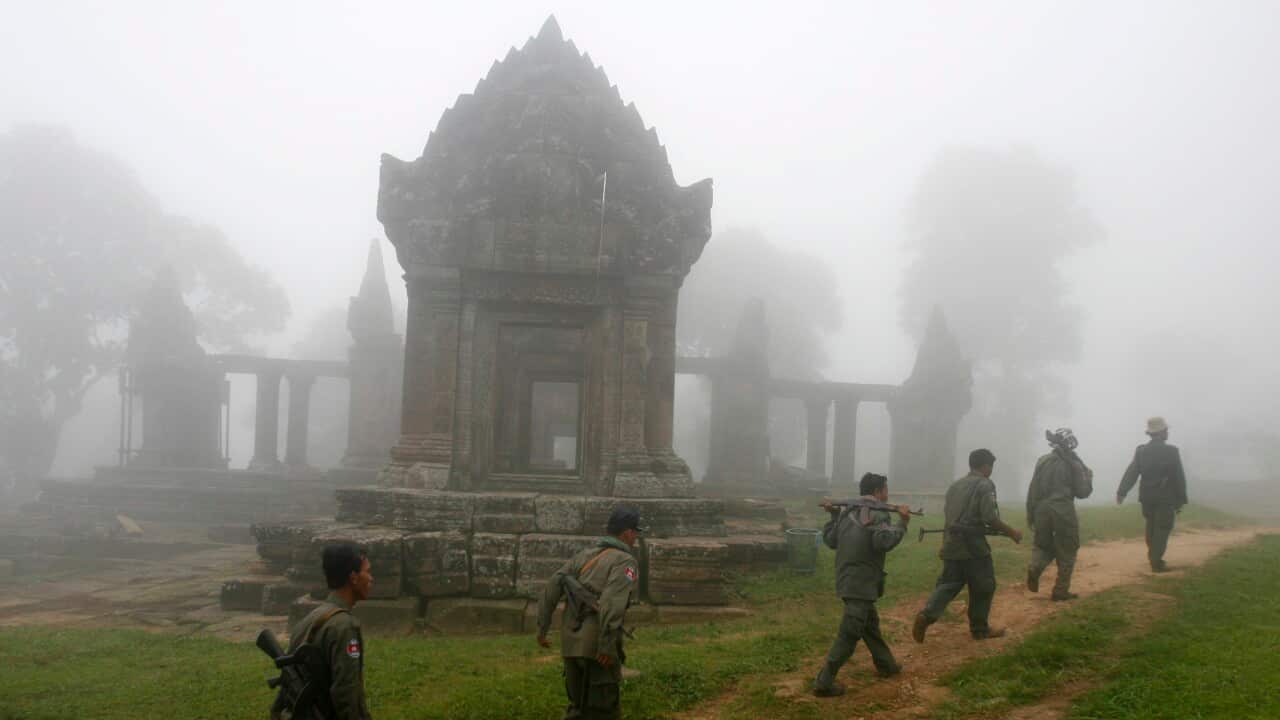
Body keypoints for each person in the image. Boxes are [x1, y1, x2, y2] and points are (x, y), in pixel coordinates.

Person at [536, 506, 642, 720]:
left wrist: (542, 629)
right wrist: (606, 645)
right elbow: (613, 604)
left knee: (578, 708)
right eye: (635, 532)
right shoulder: (625, 561)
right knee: (603, 711)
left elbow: (552, 587)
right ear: (627, 533)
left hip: (570, 644)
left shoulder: (583, 555)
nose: (636, 537)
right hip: (596, 647)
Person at [812, 472, 911, 698]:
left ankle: (886, 666)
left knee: (869, 626)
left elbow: (831, 540)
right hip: (861, 583)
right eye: (885, 490)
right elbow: (882, 541)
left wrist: (834, 515)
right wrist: (902, 524)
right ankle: (824, 682)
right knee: (849, 634)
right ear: (877, 492)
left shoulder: (847, 511)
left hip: (848, 579)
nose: (887, 495)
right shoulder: (879, 513)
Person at [912, 448, 1023, 642]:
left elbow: (949, 518)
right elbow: (990, 518)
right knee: (984, 585)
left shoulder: (955, 486)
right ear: (986, 466)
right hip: (973, 546)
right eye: (991, 466)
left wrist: (944, 544)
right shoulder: (985, 485)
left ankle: (926, 616)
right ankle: (980, 629)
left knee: (948, 584)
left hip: (952, 543)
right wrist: (1011, 532)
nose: (992, 470)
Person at [272, 542, 374, 720]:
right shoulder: (344, 627)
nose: (371, 578)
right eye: (367, 571)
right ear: (354, 577)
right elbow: (346, 693)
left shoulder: (311, 618)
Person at [1025, 428, 1094, 601]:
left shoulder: (1043, 460)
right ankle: (1060, 591)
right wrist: (1089, 477)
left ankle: (1035, 567)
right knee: (1068, 548)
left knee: (1043, 545)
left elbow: (1032, 489)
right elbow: (1082, 492)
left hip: (1041, 509)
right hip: (1062, 508)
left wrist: (1031, 514)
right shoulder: (1073, 463)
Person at [1117, 416, 1188, 572]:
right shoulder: (1171, 452)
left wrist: (1122, 491)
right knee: (1162, 528)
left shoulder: (1141, 451)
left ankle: (1153, 556)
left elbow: (1132, 472)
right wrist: (1181, 500)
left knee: (1151, 527)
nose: (1167, 433)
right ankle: (1156, 561)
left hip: (1147, 498)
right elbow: (1178, 476)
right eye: (1166, 431)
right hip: (1165, 498)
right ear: (1161, 433)